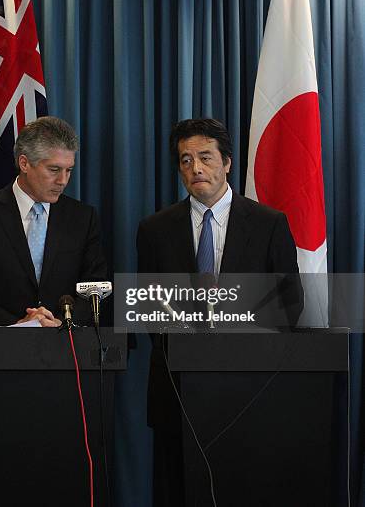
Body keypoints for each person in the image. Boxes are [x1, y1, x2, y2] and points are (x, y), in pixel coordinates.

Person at [136, 118, 304, 506]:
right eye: (185, 160)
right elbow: (147, 307)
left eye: (205, 158)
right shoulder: (155, 229)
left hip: (248, 391)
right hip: (177, 394)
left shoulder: (269, 224)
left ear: (227, 162)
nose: (195, 168)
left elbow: (289, 303)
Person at [0, 116, 107, 327]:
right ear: (24, 163)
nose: (63, 180)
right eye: (54, 169)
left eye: (68, 170)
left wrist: (61, 324)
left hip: (64, 347)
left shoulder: (83, 217)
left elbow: (95, 287)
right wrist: (21, 325)